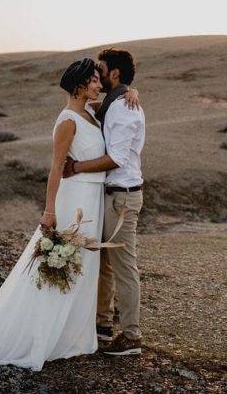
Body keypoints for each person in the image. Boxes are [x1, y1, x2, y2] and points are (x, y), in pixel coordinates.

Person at [0, 58, 134, 371]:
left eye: (100, 79)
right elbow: (56, 167)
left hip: (92, 197)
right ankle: (45, 335)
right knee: (66, 265)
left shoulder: (92, 113)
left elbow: (117, 104)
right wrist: (49, 210)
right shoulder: (68, 120)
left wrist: (132, 92)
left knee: (84, 267)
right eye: (94, 81)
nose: (99, 85)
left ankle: (74, 336)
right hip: (75, 198)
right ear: (80, 86)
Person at [63, 48, 145, 357]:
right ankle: (101, 324)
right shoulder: (115, 102)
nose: (96, 74)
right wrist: (130, 89)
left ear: (114, 74)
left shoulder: (124, 108)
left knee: (124, 266)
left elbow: (117, 158)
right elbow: (85, 102)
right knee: (103, 263)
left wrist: (78, 167)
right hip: (109, 196)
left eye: (101, 69)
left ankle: (132, 336)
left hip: (121, 198)